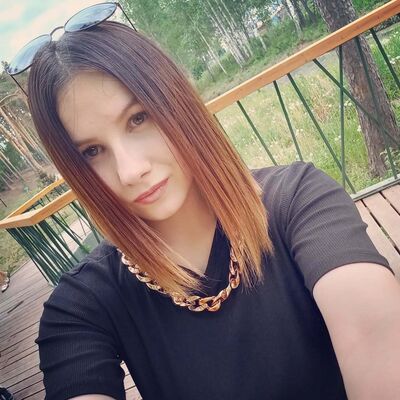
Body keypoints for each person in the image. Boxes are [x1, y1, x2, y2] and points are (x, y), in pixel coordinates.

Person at [7, 3, 400, 400]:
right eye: (92, 151)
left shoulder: (299, 201)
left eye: (138, 119)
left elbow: (371, 327)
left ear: (176, 102)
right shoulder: (81, 305)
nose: (130, 170)